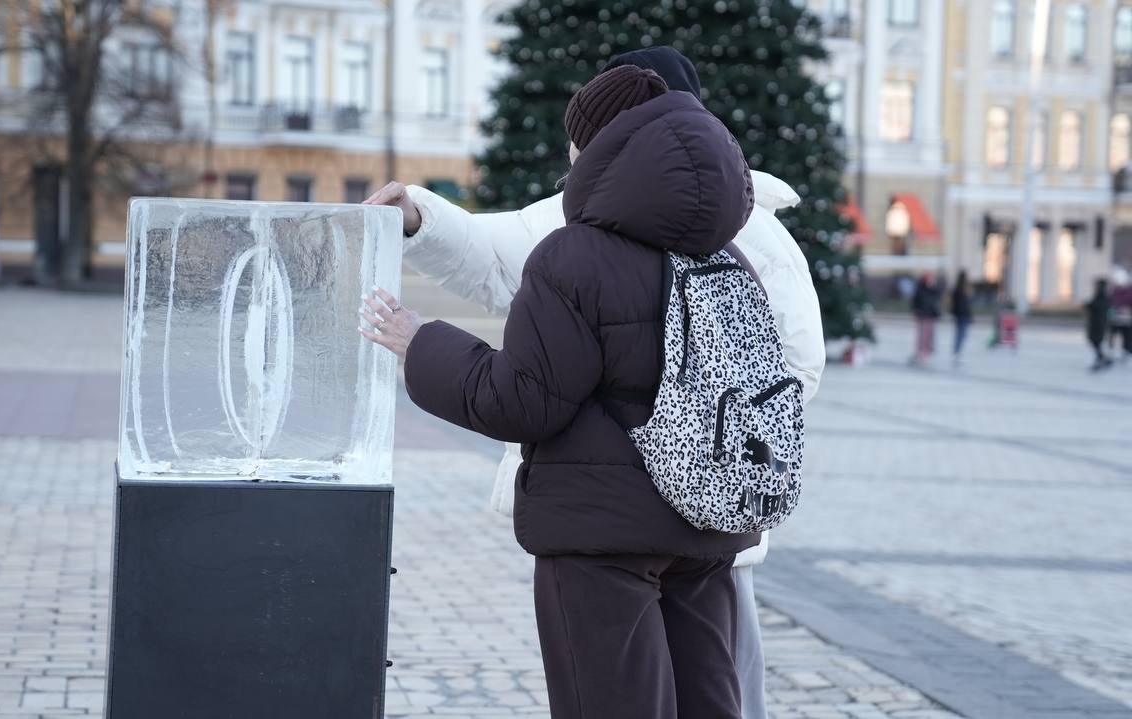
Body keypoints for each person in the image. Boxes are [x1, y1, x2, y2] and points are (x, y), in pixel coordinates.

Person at [365, 47, 824, 719]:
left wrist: (421, 343)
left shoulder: (575, 252)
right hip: (705, 532)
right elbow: (779, 380)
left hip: (603, 534)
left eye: (576, 143)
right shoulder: (729, 253)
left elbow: (520, 400)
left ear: (602, 146)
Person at [910, 273, 941, 366]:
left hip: (930, 315)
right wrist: (916, 310)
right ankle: (920, 352)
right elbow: (915, 301)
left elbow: (937, 296)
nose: (930, 281)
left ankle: (925, 352)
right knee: (921, 335)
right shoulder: (920, 290)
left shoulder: (933, 290)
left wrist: (933, 287)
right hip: (921, 315)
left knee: (929, 335)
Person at [1085, 279, 1113, 371]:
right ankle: (1104, 359)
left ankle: (1101, 360)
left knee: (1096, 341)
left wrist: (1090, 305)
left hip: (1099, 323)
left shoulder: (1103, 295)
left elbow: (1100, 306)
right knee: (1095, 341)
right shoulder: (1099, 295)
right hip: (1096, 322)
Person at [950, 270, 973, 364]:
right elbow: (966, 305)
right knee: (962, 335)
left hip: (960, 315)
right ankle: (957, 352)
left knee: (959, 334)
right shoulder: (963, 290)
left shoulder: (957, 289)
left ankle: (957, 352)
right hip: (963, 315)